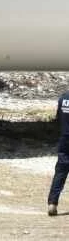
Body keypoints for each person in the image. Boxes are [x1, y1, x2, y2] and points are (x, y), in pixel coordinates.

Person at [47, 87, 69, 216]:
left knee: (60, 172)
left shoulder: (63, 98)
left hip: (65, 139)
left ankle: (52, 203)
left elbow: (58, 118)